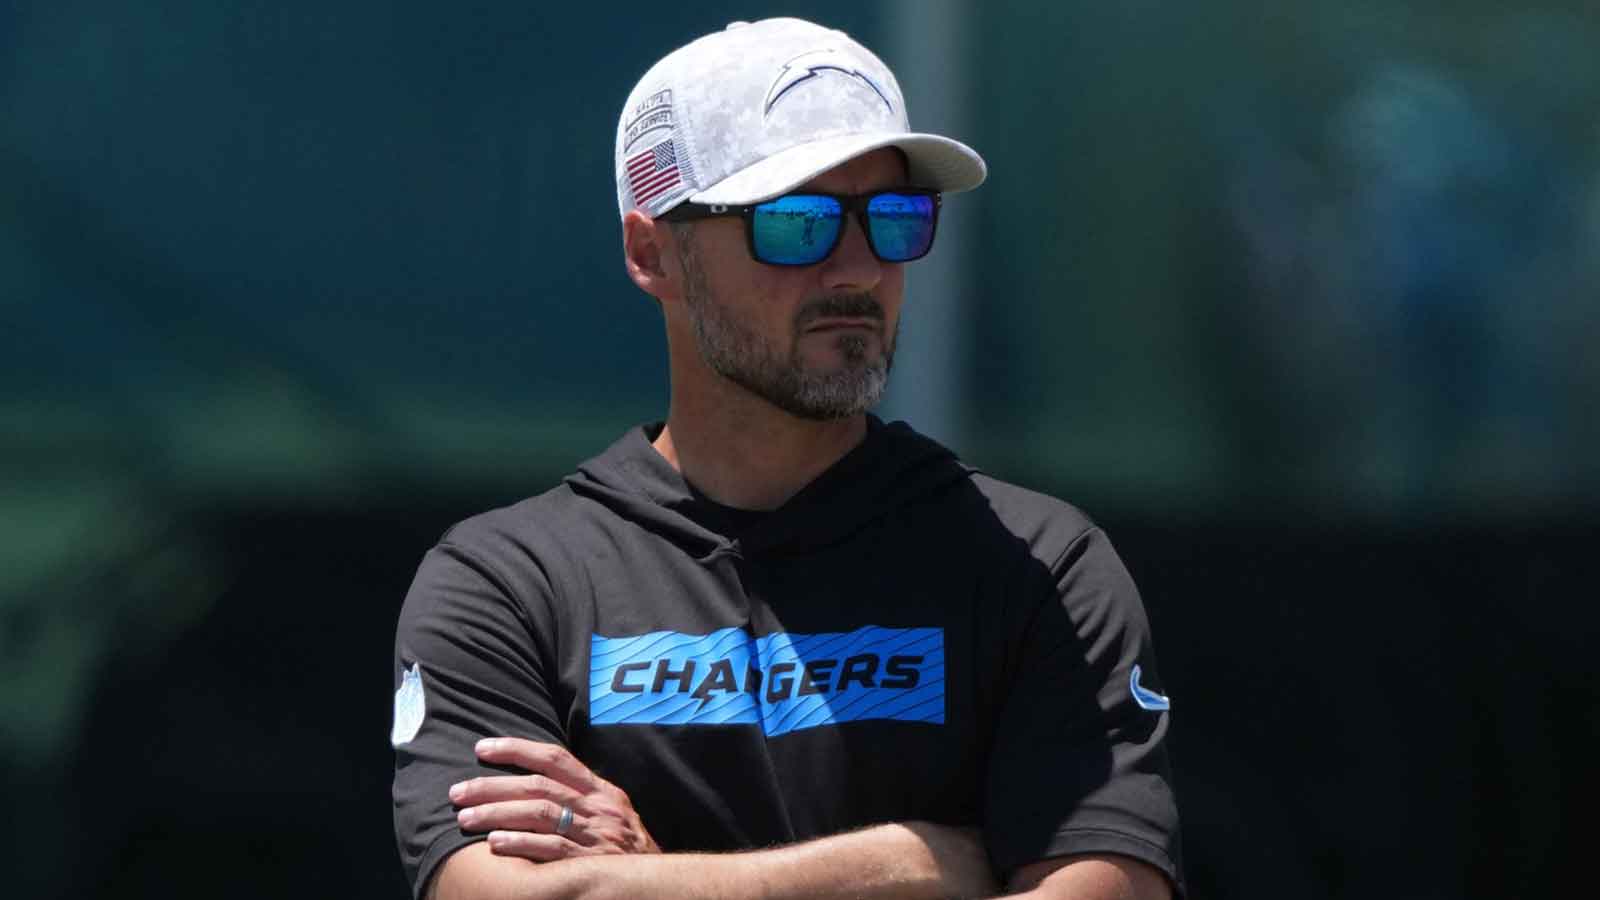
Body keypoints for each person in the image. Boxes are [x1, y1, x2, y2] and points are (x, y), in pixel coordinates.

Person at [392, 17, 1183, 900]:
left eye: (893, 219)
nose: (858, 269)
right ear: (653, 254)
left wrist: (652, 882)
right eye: (798, 222)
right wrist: (910, 863)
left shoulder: (1039, 566)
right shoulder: (510, 584)